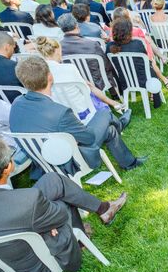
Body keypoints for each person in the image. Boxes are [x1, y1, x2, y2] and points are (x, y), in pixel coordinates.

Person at [0, 134, 129, 272]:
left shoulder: (26, 201)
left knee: (53, 181)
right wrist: (47, 221)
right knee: (63, 204)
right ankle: (78, 243)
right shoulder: (28, 201)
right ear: (7, 168)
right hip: (37, 267)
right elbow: (61, 215)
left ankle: (103, 209)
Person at [11, 56, 146, 174]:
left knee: (110, 130)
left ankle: (129, 162)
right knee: (104, 114)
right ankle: (119, 125)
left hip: (42, 161)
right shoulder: (60, 112)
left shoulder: (16, 104)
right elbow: (89, 138)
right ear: (50, 77)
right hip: (69, 161)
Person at [36, 36, 127, 120]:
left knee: (87, 85)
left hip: (59, 113)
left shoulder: (38, 72)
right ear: (56, 50)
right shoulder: (68, 68)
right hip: (81, 111)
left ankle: (113, 104)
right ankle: (114, 107)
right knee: (90, 88)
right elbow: (86, 90)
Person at [107, 18, 164, 108]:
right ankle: (156, 99)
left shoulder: (109, 46)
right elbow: (146, 60)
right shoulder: (137, 43)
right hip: (144, 79)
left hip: (123, 80)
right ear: (129, 31)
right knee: (150, 67)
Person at [58, 14, 117, 92]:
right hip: (96, 81)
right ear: (76, 25)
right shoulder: (91, 44)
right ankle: (114, 93)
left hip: (76, 82)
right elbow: (106, 65)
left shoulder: (59, 47)